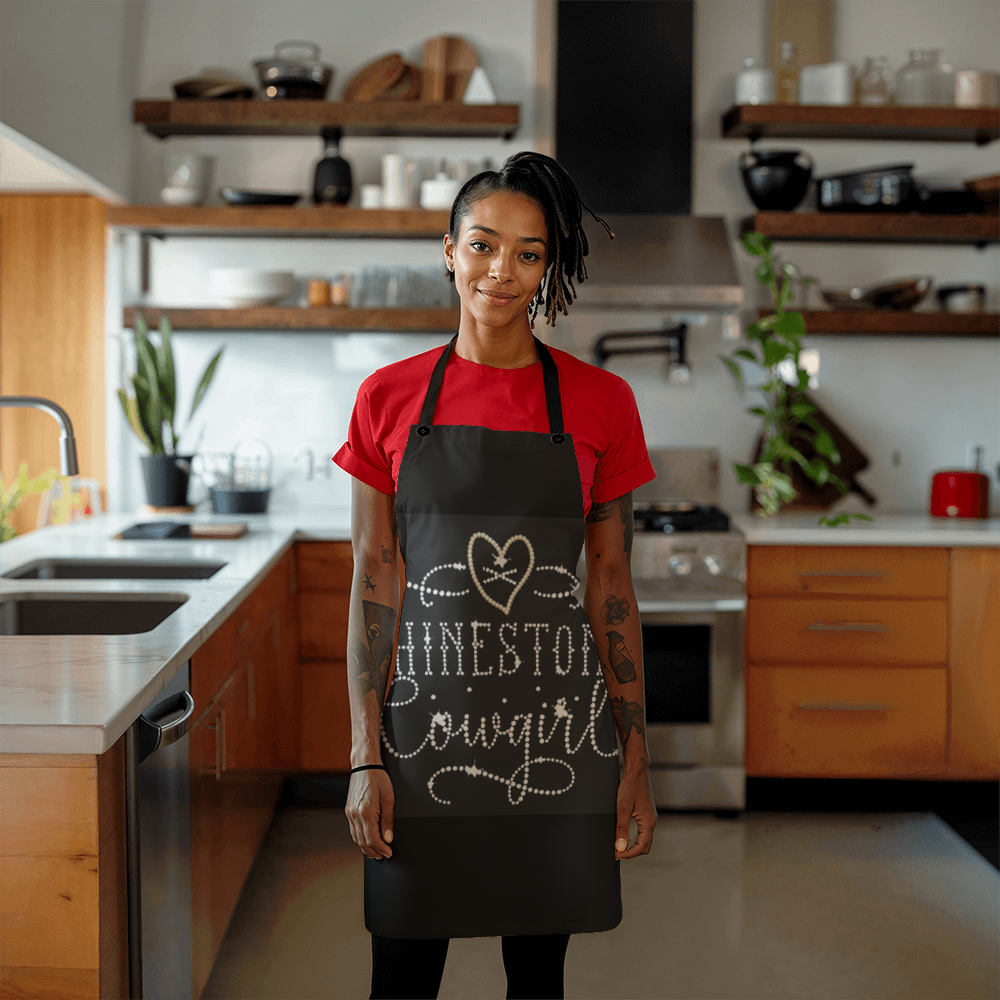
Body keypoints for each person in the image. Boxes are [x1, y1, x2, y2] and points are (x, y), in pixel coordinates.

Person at [332, 150, 658, 1000]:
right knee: (401, 972)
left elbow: (612, 587)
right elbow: (375, 577)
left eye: (528, 253)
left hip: (557, 742)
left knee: (537, 980)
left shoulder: (601, 403)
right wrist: (367, 756)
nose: (501, 273)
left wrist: (635, 755)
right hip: (421, 738)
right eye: (482, 245)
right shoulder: (386, 399)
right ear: (448, 250)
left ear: (550, 267)